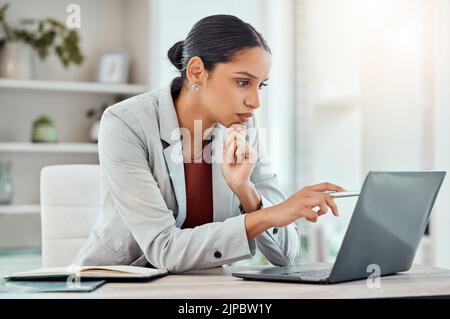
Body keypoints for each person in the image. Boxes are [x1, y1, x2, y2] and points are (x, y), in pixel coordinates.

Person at [73, 14, 343, 273]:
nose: (255, 101)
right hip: (117, 285)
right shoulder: (126, 123)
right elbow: (163, 248)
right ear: (197, 72)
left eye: (260, 86)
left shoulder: (243, 128)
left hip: (203, 288)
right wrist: (269, 215)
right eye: (242, 82)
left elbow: (287, 255)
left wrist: (246, 191)